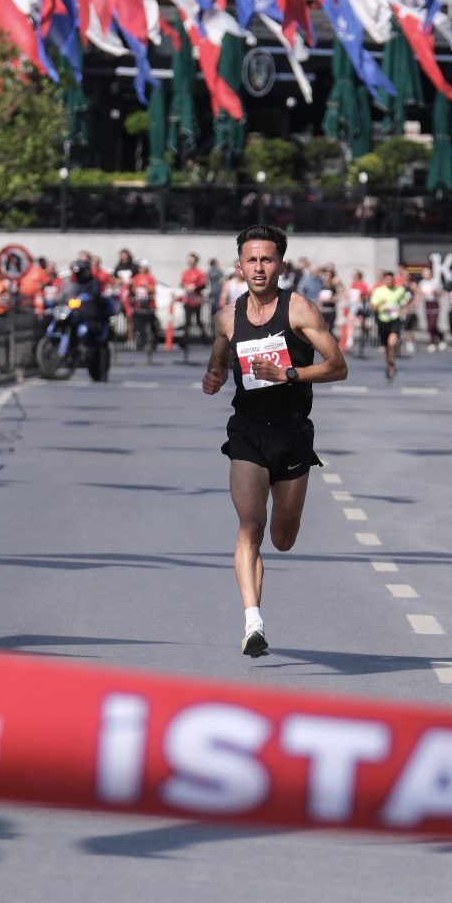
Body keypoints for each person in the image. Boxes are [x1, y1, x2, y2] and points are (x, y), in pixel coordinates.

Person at [200, 225, 348, 658]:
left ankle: (257, 609)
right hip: (247, 431)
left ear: (281, 264)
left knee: (283, 538)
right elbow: (219, 357)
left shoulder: (299, 309)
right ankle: (253, 623)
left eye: (267, 260)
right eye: (252, 260)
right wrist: (212, 375)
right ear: (240, 265)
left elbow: (338, 366)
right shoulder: (227, 317)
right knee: (251, 526)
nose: (259, 268)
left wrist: (290, 374)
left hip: (294, 433)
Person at [368, 270, 409, 381]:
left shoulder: (400, 290)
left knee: (392, 343)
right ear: (384, 280)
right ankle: (389, 365)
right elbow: (373, 308)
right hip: (382, 321)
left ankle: (391, 364)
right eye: (388, 280)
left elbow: (405, 301)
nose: (390, 282)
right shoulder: (378, 291)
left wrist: (406, 308)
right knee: (386, 347)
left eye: (392, 280)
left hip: (395, 320)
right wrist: (380, 305)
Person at [179, 254, 208, 346]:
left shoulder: (200, 272)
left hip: (196, 300)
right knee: (187, 321)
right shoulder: (185, 272)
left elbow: (203, 285)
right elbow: (182, 283)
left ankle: (204, 339)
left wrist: (194, 288)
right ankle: (185, 341)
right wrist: (186, 287)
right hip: (188, 300)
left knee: (198, 321)